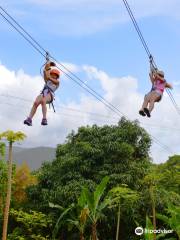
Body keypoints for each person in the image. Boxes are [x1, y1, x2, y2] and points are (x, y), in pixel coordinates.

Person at [24, 61, 60, 126]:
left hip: (50, 94)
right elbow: (45, 74)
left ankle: (44, 119)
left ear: (57, 76)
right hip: (44, 92)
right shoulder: (48, 80)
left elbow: (48, 77)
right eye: (52, 74)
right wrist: (47, 66)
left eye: (55, 75)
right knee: (35, 103)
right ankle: (29, 119)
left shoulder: (57, 82)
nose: (53, 76)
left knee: (43, 101)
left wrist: (48, 69)